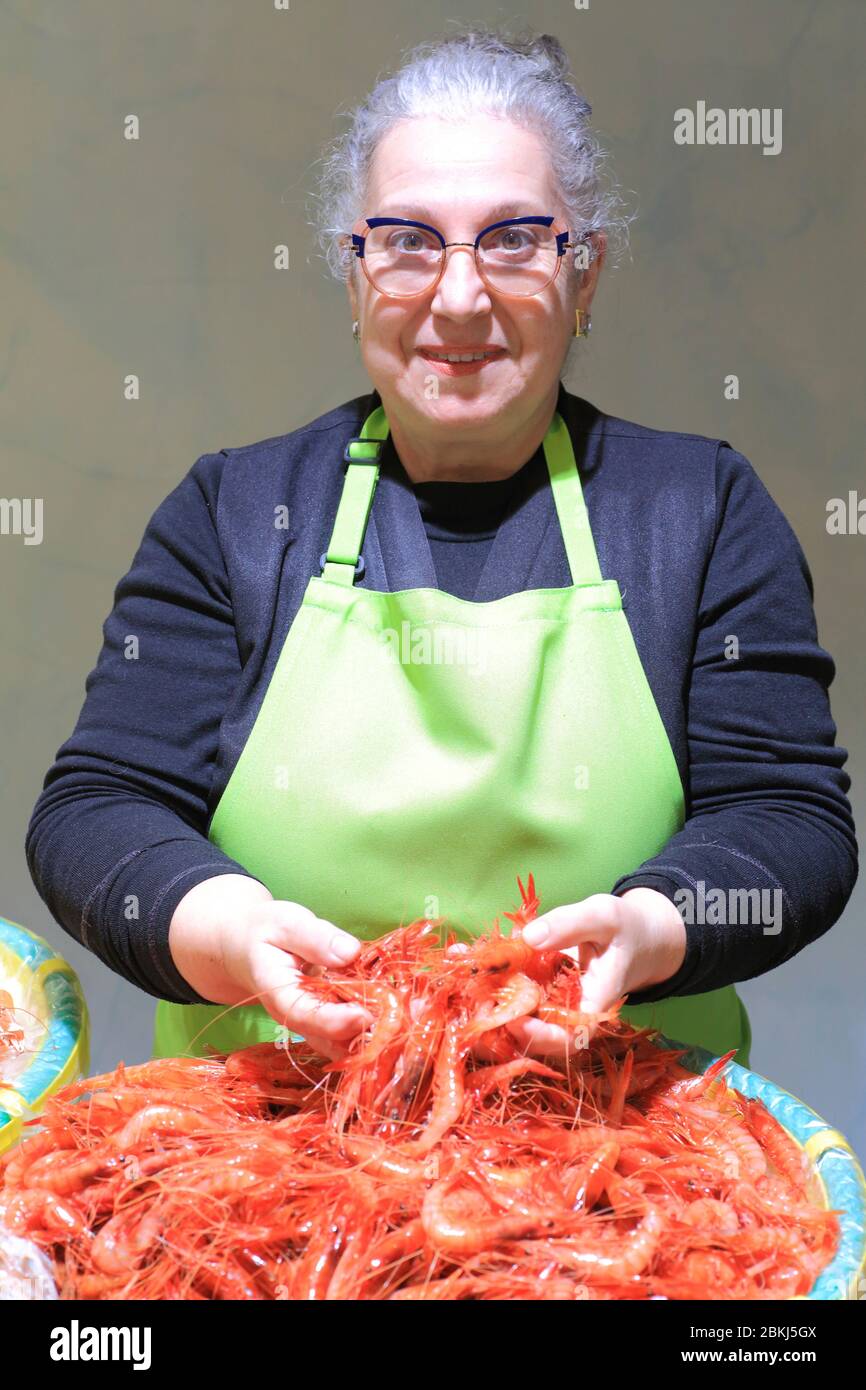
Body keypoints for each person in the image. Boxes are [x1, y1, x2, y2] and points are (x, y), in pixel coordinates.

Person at [26, 29, 857, 1070]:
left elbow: (788, 820)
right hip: (260, 1154)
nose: (457, 297)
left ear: (583, 275)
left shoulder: (699, 512)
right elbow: (96, 810)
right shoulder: (234, 514)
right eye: (408, 240)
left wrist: (656, 924)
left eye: (513, 238)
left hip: (632, 1162)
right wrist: (224, 927)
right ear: (355, 274)